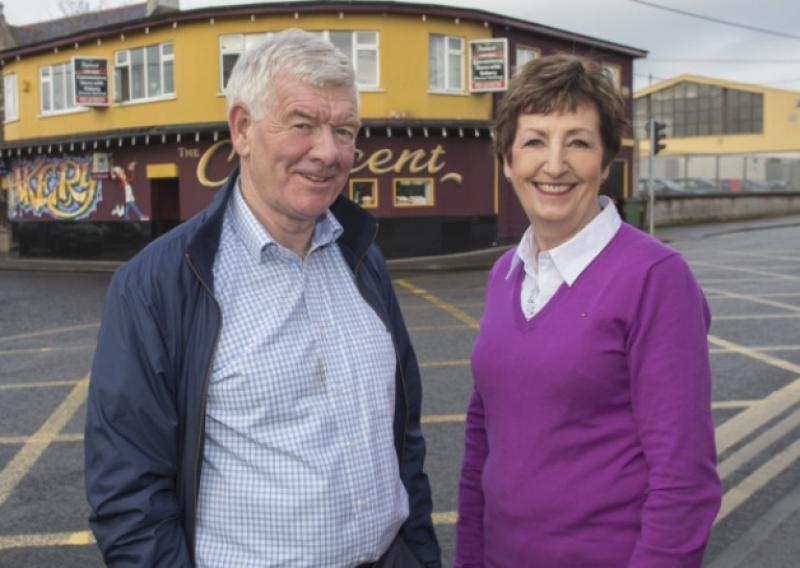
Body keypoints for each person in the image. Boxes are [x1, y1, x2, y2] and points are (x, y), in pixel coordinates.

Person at [85, 29, 440, 568]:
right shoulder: (156, 284)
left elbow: (403, 438)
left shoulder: (364, 259)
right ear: (242, 129)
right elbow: (128, 494)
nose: (328, 152)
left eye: (344, 130)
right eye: (302, 125)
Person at [455, 54, 721, 567]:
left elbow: (684, 478)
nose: (555, 165)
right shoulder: (505, 272)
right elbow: (481, 439)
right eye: (534, 141)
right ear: (507, 161)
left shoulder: (655, 278)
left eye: (578, 142)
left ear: (605, 162)